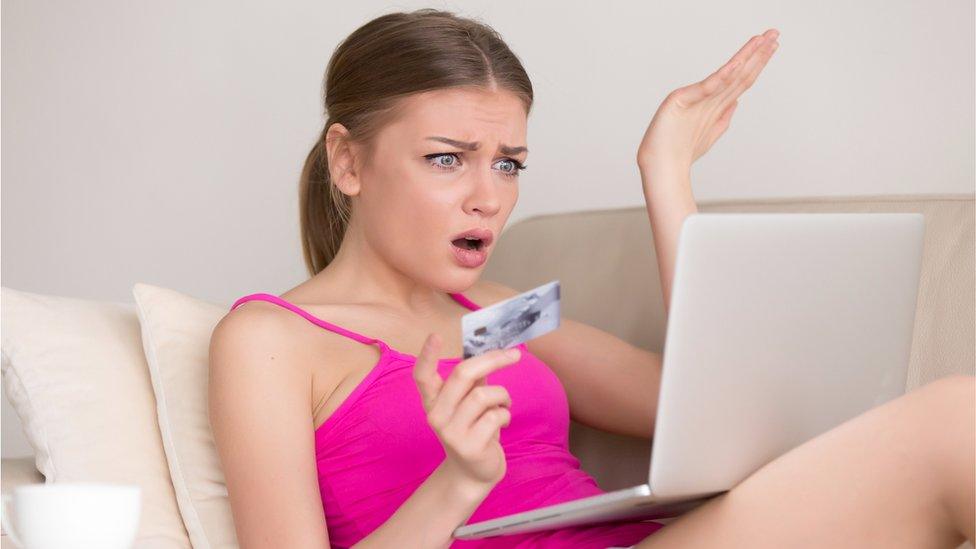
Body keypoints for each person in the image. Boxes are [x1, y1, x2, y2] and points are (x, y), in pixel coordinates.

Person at [207, 8, 975, 549]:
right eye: (448, 158)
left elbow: (715, 408)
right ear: (349, 161)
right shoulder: (269, 338)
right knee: (956, 419)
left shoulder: (498, 311)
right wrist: (458, 483)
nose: (489, 195)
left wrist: (666, 173)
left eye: (508, 163)